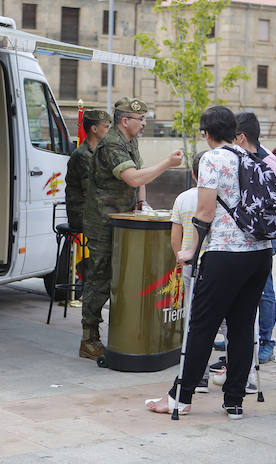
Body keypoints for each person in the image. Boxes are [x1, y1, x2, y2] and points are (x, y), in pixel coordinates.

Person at [145, 106, 272, 420]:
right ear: (234, 131)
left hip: (225, 254)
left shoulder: (212, 159)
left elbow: (204, 212)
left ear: (207, 133)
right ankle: (234, 401)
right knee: (242, 327)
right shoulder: (251, 158)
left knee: (201, 325)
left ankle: (180, 398)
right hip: (260, 254)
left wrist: (191, 250)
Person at [79, 97, 183, 359]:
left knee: (124, 275)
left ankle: (122, 331)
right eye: (141, 119)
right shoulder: (112, 143)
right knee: (100, 277)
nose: (145, 123)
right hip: (103, 221)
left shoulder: (129, 140)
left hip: (123, 218)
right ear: (125, 121)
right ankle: (89, 337)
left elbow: (138, 175)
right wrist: (167, 164)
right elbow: (133, 176)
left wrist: (142, 202)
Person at [234, 111, 276, 364]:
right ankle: (236, 334)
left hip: (263, 232)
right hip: (242, 231)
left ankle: (267, 341)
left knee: (264, 289)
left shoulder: (269, 161)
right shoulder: (239, 157)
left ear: (242, 137)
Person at [169, 150, 210, 392]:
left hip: (189, 264)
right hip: (215, 263)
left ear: (193, 173)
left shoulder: (183, 198)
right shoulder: (219, 197)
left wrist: (179, 258)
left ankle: (199, 377)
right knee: (225, 321)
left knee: (194, 320)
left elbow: (176, 237)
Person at [64, 108, 112, 232]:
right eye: (106, 127)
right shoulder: (82, 155)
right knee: (118, 225)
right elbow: (91, 191)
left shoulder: (101, 152)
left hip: (95, 210)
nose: (109, 131)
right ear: (94, 129)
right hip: (82, 213)